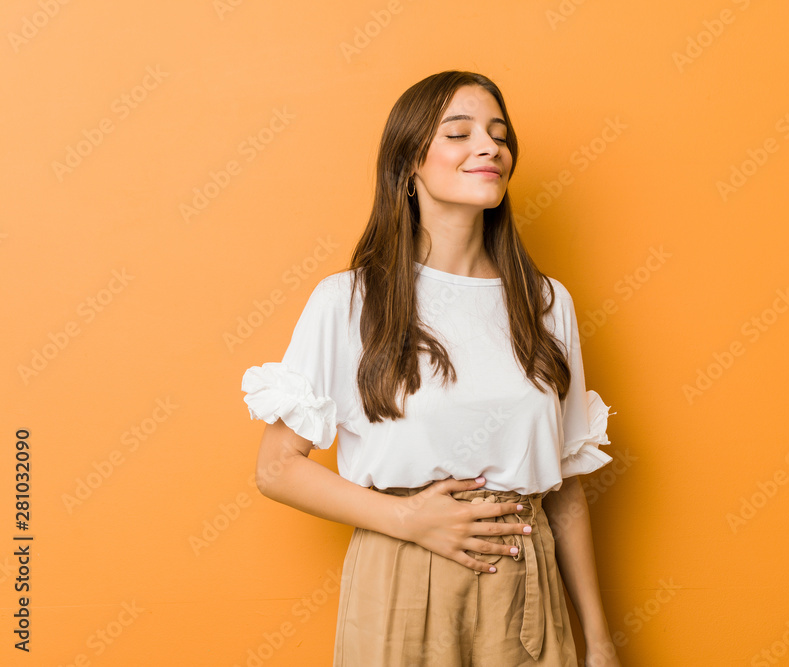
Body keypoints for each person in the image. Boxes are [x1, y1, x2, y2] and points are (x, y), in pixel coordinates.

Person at [241, 70, 622, 666]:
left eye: (499, 134)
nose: (489, 146)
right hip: (402, 574)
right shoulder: (351, 300)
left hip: (525, 580)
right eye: (459, 132)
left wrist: (598, 641)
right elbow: (276, 469)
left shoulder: (547, 303)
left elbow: (564, 486)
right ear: (409, 163)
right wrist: (408, 518)